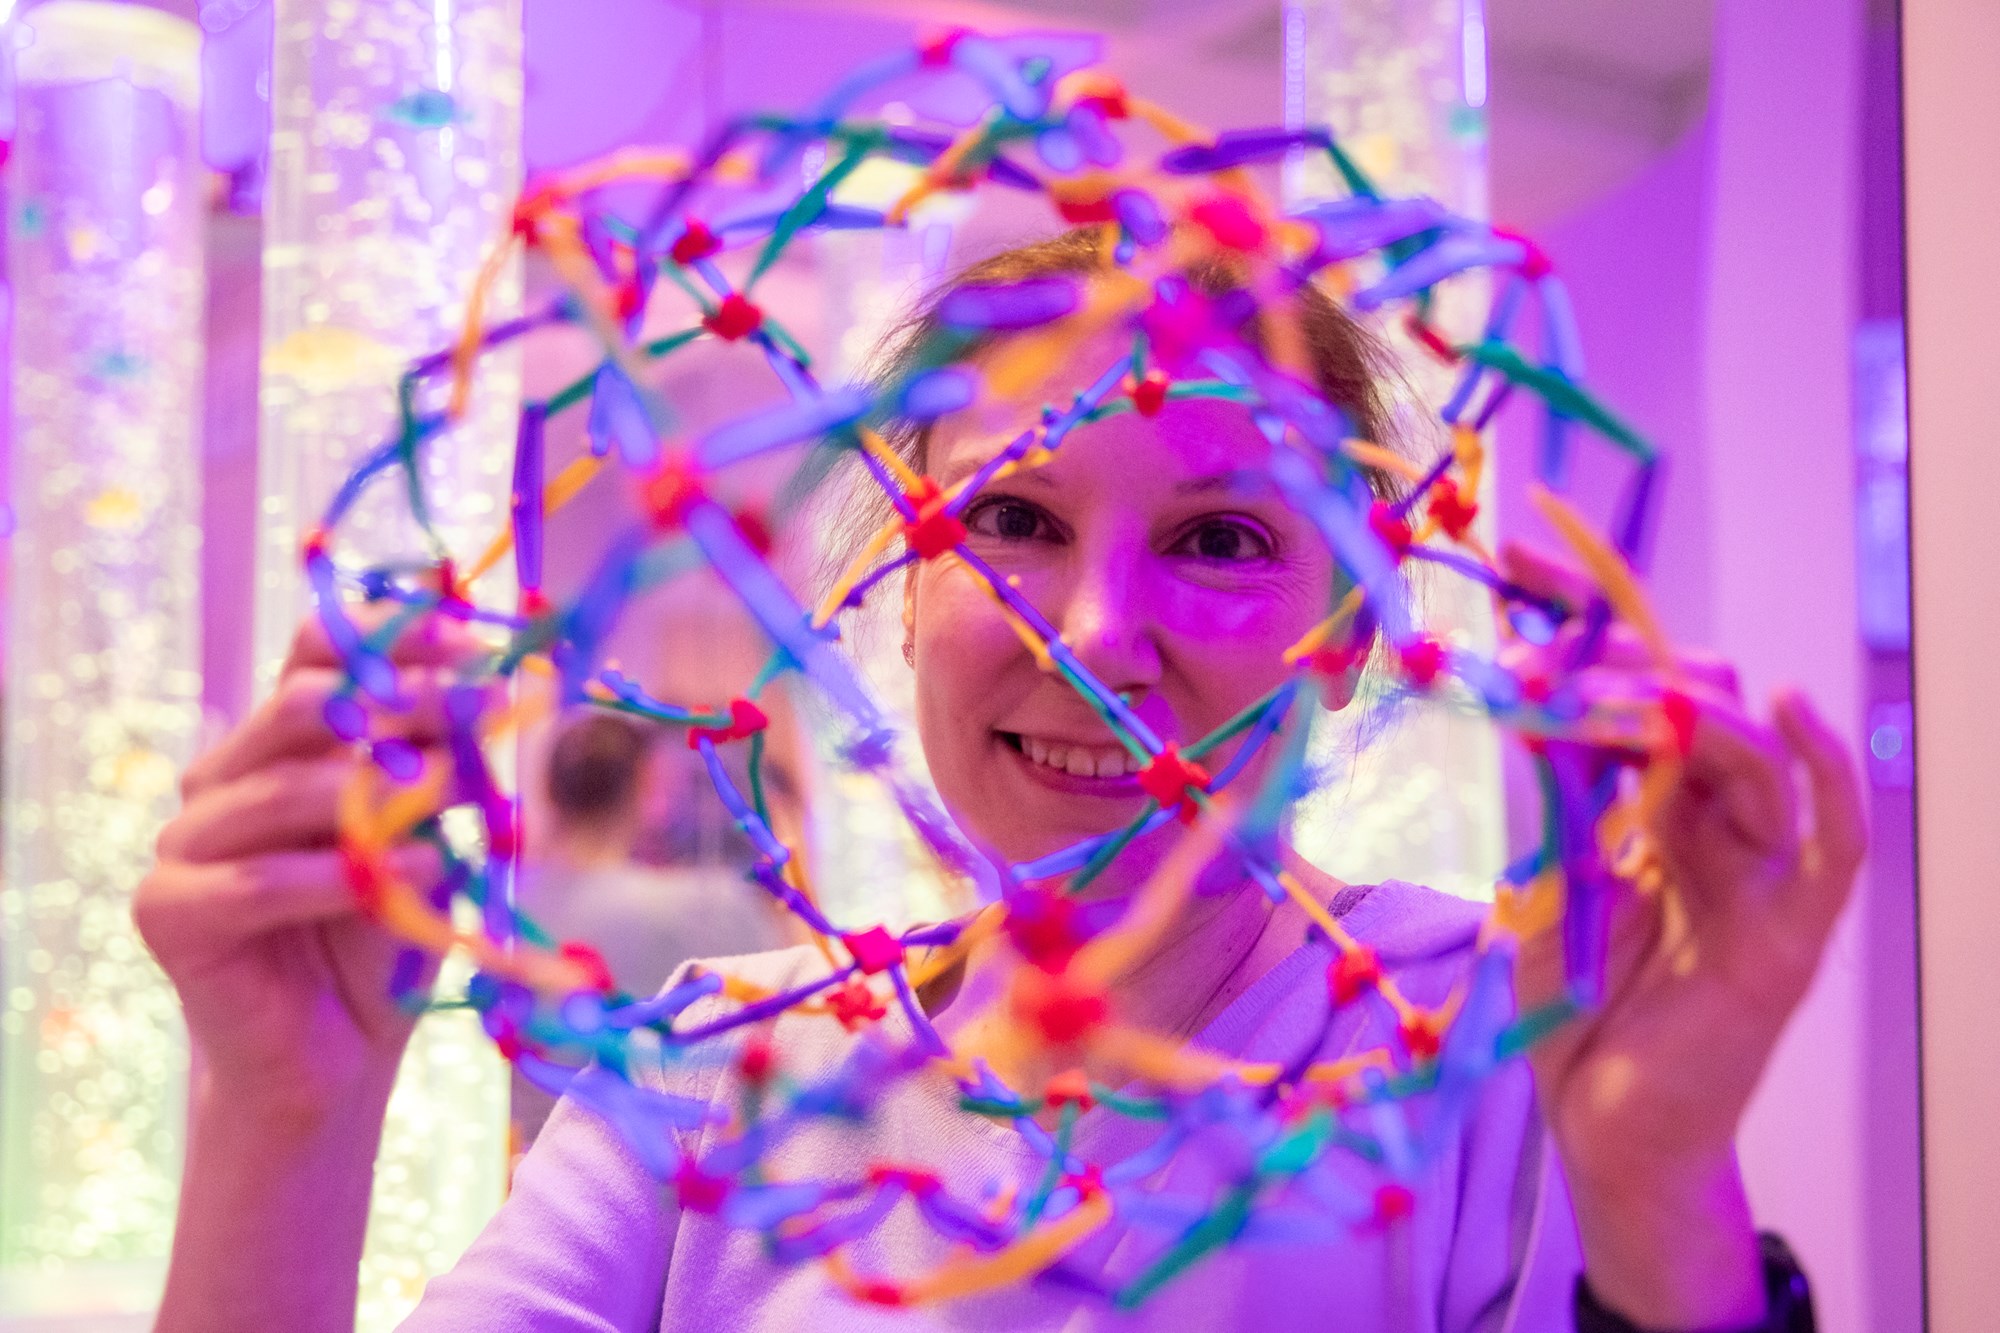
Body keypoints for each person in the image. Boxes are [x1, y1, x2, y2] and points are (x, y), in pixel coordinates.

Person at [137, 228, 1864, 1331]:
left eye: (1223, 538)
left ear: (1348, 627)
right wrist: (285, 1120)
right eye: (1018, 520)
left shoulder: (1488, 1039)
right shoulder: (716, 1069)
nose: (1099, 635)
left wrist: (1654, 1188)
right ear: (900, 569)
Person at [510, 710, 792, 1142]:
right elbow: (786, 1018)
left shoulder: (502, 912)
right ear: (646, 785)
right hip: (645, 1171)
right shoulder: (707, 907)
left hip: (518, 1164)